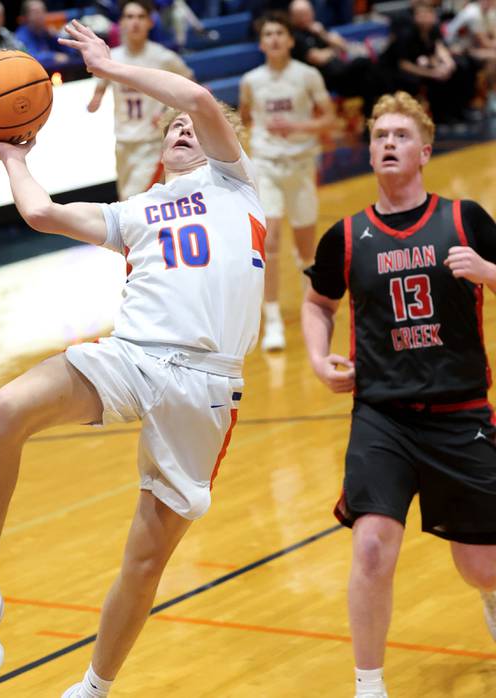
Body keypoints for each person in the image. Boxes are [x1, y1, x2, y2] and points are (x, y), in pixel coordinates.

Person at [0, 18, 266, 698]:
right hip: (132, 356)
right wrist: (9, 157)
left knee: (145, 561)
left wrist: (109, 67)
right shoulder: (137, 210)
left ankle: (93, 689)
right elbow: (42, 214)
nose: (183, 127)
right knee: (5, 410)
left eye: (192, 127)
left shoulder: (237, 185)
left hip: (204, 386)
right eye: (173, 127)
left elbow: (198, 99)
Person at [301, 91, 496, 698]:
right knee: (372, 546)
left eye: (401, 135)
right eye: (379, 135)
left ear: (425, 151)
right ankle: (370, 685)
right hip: (382, 415)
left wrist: (489, 273)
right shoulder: (347, 235)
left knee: (482, 566)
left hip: (460, 412)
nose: (388, 143)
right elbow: (317, 302)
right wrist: (317, 358)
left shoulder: (465, 220)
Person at [239, 12, 333, 351]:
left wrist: (297, 128)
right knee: (270, 243)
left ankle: (313, 308)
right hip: (267, 166)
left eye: (280, 33)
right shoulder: (251, 80)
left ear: (291, 40)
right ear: (261, 43)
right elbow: (246, 118)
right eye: (268, 34)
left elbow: (329, 118)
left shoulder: (307, 75)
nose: (275, 39)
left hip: (301, 165)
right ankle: (273, 318)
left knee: (306, 250)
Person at [86, 0, 193, 200]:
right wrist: (95, 100)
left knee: (133, 199)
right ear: (121, 23)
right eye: (129, 17)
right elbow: (100, 88)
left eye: (141, 17)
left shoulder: (163, 57)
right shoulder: (112, 58)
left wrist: (168, 113)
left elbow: (191, 88)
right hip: (122, 141)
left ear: (150, 22)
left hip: (151, 143)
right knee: (127, 200)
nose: (135, 22)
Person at [385, 0, 477, 125]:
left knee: (457, 68)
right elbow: (404, 64)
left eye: (429, 14)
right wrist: (432, 72)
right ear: (415, 17)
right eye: (422, 15)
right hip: (395, 70)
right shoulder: (407, 34)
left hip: (420, 64)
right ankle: (438, 117)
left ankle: (458, 110)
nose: (426, 18)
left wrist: (447, 64)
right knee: (429, 80)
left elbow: (436, 48)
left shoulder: (433, 30)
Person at [289, 0, 387, 115]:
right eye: (300, 14)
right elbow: (317, 58)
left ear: (312, 13)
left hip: (342, 72)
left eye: (306, 13)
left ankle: (372, 113)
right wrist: (334, 51)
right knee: (363, 63)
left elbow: (343, 46)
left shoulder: (317, 29)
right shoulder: (295, 36)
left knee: (369, 79)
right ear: (292, 17)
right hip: (326, 79)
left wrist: (323, 33)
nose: (304, 17)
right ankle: (379, 106)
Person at [15, 0, 71, 67]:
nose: (40, 15)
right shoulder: (20, 36)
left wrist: (56, 36)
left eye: (42, 11)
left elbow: (70, 51)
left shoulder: (46, 32)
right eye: (35, 12)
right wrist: (53, 56)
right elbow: (30, 57)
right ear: (25, 16)